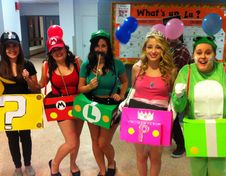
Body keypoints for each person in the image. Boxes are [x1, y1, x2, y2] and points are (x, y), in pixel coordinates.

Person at [172, 35, 226, 176]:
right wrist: (178, 96)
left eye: (208, 52)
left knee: (218, 171)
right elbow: (179, 108)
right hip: (197, 131)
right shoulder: (186, 72)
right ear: (194, 54)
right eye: (199, 52)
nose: (203, 56)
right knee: (198, 170)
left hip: (222, 130)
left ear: (214, 54)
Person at [79, 29, 128, 176]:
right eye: (97, 46)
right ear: (93, 47)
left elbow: (125, 82)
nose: (100, 49)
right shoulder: (86, 65)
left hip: (110, 106)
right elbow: (80, 88)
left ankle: (111, 162)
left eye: (103, 46)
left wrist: (121, 94)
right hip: (92, 105)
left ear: (108, 48)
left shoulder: (117, 64)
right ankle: (101, 169)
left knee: (103, 143)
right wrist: (89, 86)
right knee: (95, 141)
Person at [129, 30, 176, 176]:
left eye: (158, 47)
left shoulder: (171, 71)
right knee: (141, 156)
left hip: (160, 119)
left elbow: (173, 96)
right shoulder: (137, 68)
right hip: (138, 116)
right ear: (145, 49)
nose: (153, 51)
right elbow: (133, 90)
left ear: (163, 50)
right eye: (150, 47)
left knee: (155, 157)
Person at [38, 29, 83, 176]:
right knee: (71, 142)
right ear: (50, 53)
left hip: (78, 104)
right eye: (53, 50)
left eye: (59, 48)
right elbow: (41, 84)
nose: (58, 52)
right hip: (60, 106)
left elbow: (85, 81)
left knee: (76, 138)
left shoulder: (77, 62)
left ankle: (73, 164)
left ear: (65, 48)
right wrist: (26, 79)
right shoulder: (47, 66)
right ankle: (55, 164)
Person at [0, 31, 40, 176]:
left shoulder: (28, 64)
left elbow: (36, 89)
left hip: (25, 108)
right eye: (8, 46)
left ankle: (28, 164)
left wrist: (28, 79)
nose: (12, 49)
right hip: (8, 110)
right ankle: (17, 166)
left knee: (25, 137)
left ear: (19, 46)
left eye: (14, 45)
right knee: (12, 139)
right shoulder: (0, 66)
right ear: (3, 49)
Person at [163, 15, 191, 158]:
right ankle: (168, 139)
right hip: (167, 89)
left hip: (177, 91)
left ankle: (181, 145)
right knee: (168, 117)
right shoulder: (170, 49)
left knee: (173, 118)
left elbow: (177, 74)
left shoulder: (182, 51)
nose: (167, 36)